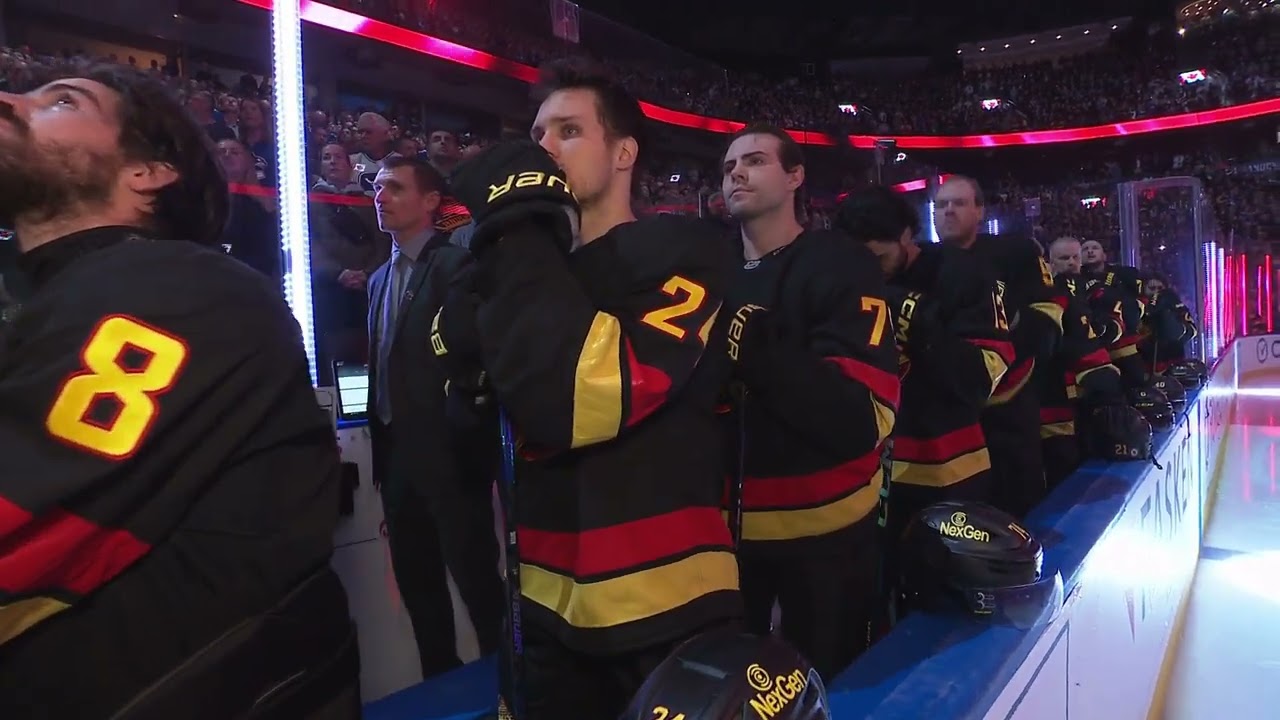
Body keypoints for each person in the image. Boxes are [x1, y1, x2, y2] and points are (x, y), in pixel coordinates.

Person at [0, 63, 351, 716]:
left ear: (148, 172)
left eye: (61, 101)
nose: (8, 101)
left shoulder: (177, 287)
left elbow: (20, 517)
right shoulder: (53, 293)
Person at [436, 59, 740, 719]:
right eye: (538, 132)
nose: (543, 149)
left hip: (663, 605)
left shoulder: (686, 250)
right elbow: (470, 436)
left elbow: (586, 398)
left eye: (569, 130)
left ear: (624, 152)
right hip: (541, 608)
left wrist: (514, 228)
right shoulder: (527, 268)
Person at [718, 124, 898, 677]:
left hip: (826, 535)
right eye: (728, 167)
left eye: (754, 160)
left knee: (831, 681)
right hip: (718, 541)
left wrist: (754, 348)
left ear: (796, 176)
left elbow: (861, 416)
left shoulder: (841, 263)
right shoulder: (704, 269)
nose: (736, 174)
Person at [835, 186, 1012, 594]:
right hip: (865, 477)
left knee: (941, 599)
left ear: (905, 237)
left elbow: (983, 377)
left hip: (947, 470)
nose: (871, 272)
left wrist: (915, 322)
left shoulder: (964, 273)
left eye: (879, 258)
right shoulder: (847, 279)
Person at [366, 154, 503, 678]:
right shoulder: (379, 279)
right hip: (394, 456)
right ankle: (439, 691)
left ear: (430, 202)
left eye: (395, 188)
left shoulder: (455, 266)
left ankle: (502, 693)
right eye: (378, 188)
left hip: (449, 458)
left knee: (477, 587)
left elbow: (473, 359)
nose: (381, 197)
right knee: (420, 592)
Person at [935, 176, 1062, 517]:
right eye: (941, 205)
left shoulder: (1015, 252)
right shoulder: (922, 262)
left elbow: (1047, 318)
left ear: (979, 211)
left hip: (1010, 402)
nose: (948, 212)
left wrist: (1001, 355)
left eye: (958, 203)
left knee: (1019, 507)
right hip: (946, 413)